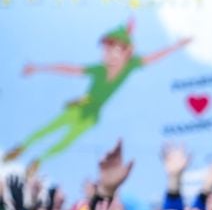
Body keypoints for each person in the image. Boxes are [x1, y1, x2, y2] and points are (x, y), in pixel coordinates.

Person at [6, 23, 190, 164]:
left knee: (66, 140)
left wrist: (176, 46)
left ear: (127, 52)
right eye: (106, 49)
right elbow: (70, 69)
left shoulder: (129, 67)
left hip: (92, 115)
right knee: (49, 128)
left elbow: (152, 58)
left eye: (115, 48)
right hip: (81, 106)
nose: (108, 53)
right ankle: (21, 148)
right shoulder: (99, 70)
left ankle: (39, 161)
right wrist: (40, 68)